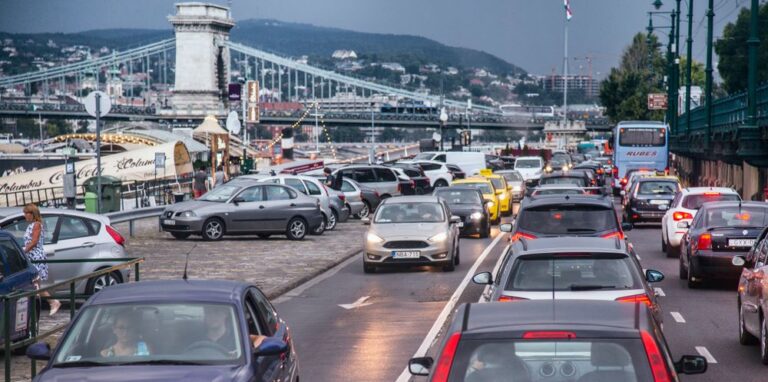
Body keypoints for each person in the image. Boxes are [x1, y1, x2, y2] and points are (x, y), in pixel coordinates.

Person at [22, 204, 61, 316]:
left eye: (26, 213)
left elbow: (34, 242)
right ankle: (50, 303)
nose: (25, 215)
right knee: (35, 283)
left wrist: (23, 252)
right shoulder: (31, 225)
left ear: (32, 214)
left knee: (35, 283)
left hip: (36, 256)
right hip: (32, 256)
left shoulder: (37, 225)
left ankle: (51, 302)